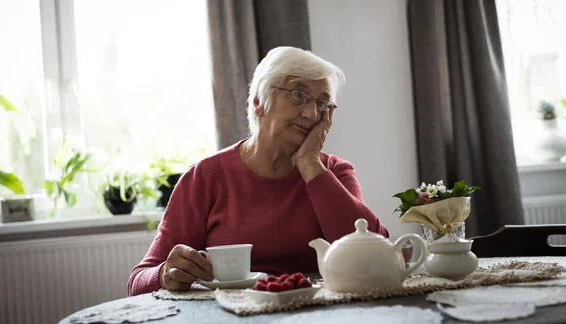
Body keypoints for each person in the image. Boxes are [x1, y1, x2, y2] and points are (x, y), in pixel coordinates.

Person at [127, 46, 389, 296]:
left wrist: (310, 163)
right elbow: (138, 281)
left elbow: (379, 259)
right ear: (258, 102)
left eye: (323, 104)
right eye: (299, 95)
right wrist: (164, 274)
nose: (311, 113)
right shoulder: (205, 178)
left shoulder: (333, 171)